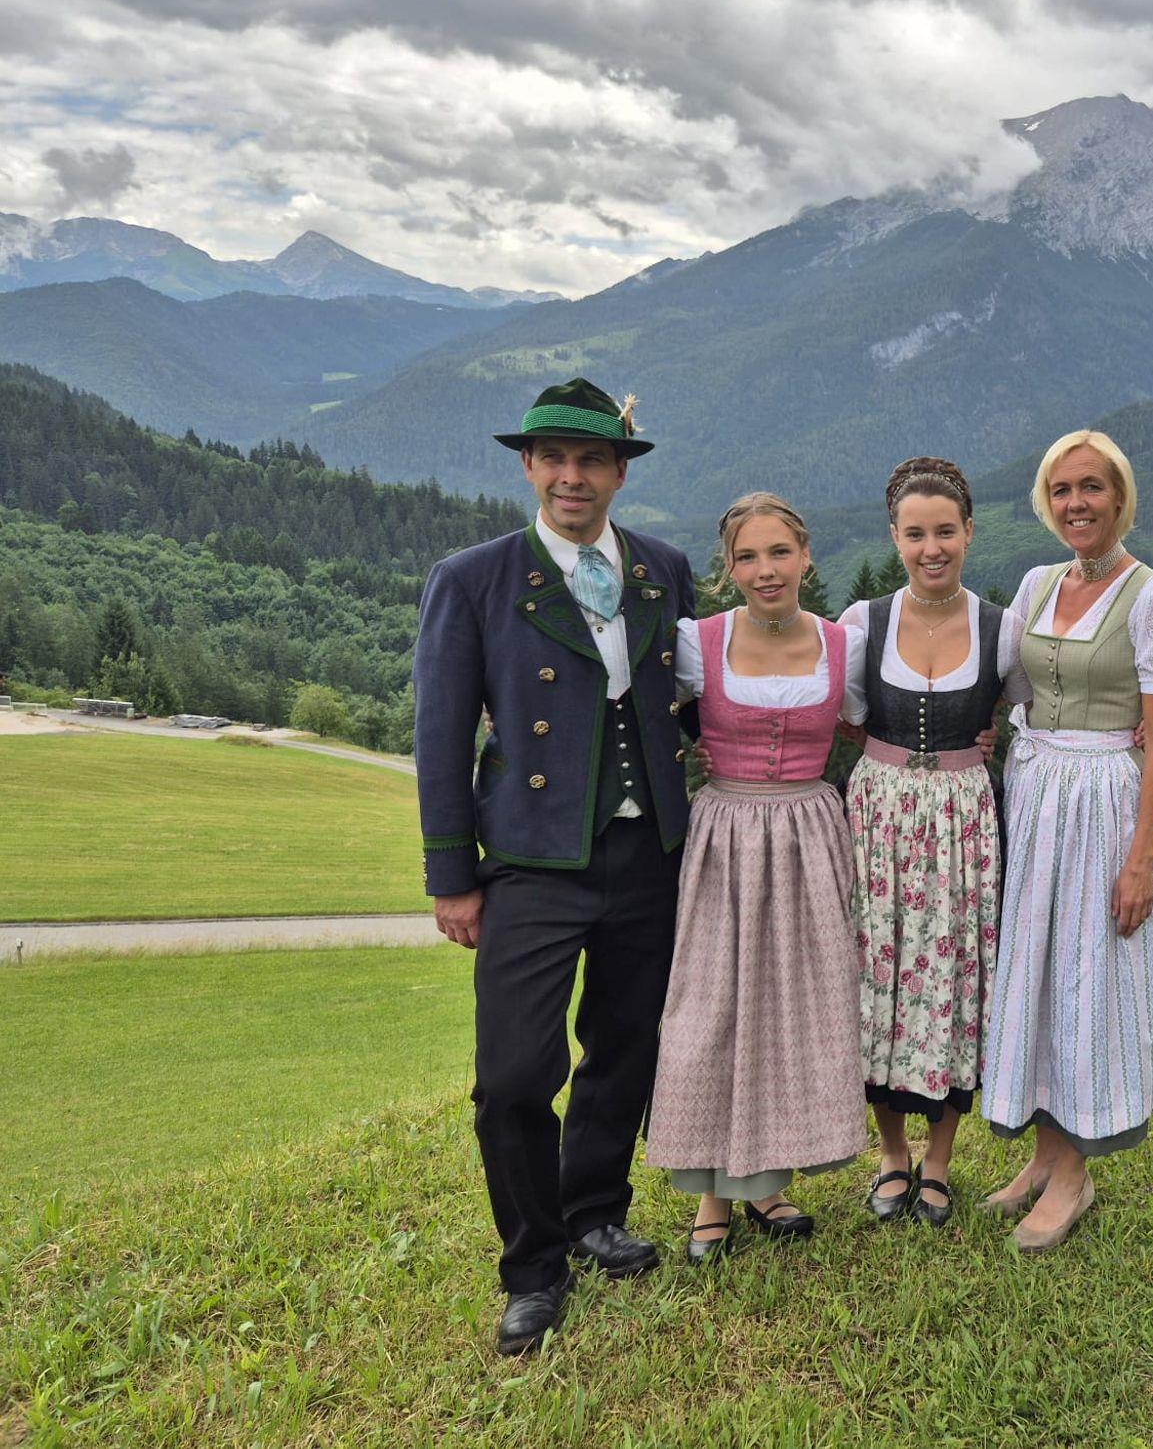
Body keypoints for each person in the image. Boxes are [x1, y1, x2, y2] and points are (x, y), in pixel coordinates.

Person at [413, 378, 694, 1355]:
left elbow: (687, 705)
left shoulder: (664, 569)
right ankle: (532, 1265)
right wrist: (451, 873)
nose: (573, 476)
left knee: (623, 1047)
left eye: (592, 461)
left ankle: (593, 1212)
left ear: (619, 473)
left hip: (649, 852)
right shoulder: (473, 577)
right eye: (555, 459)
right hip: (530, 858)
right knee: (513, 1075)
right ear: (530, 467)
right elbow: (440, 733)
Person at [979, 429, 1153, 1253]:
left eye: (1092, 487)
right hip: (1036, 795)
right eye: (1062, 490)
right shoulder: (1037, 584)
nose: (1077, 503)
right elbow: (1008, 686)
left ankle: (1074, 1173)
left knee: (1085, 978)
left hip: (1106, 805)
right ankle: (1043, 1155)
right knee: (1035, 971)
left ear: (1121, 497)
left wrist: (1140, 860)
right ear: (1047, 502)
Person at [645, 493, 868, 1259]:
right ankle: (712, 1196)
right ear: (728, 568)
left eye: (779, 552)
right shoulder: (699, 642)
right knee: (713, 1009)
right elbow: (646, 715)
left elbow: (874, 724)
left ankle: (769, 1184)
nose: (765, 569)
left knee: (790, 1011)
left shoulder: (843, 646)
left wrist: (985, 731)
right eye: (747, 556)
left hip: (810, 835)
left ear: (806, 557)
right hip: (726, 835)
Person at [839, 457, 1029, 1226]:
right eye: (915, 534)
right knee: (876, 979)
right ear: (895, 536)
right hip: (877, 818)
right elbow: (841, 713)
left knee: (956, 978)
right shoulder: (863, 622)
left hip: (964, 821)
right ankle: (891, 1154)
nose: (931, 549)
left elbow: (1032, 712)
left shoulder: (1002, 628)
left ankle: (940, 1160)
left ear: (970, 532)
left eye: (945, 531)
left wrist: (990, 741)